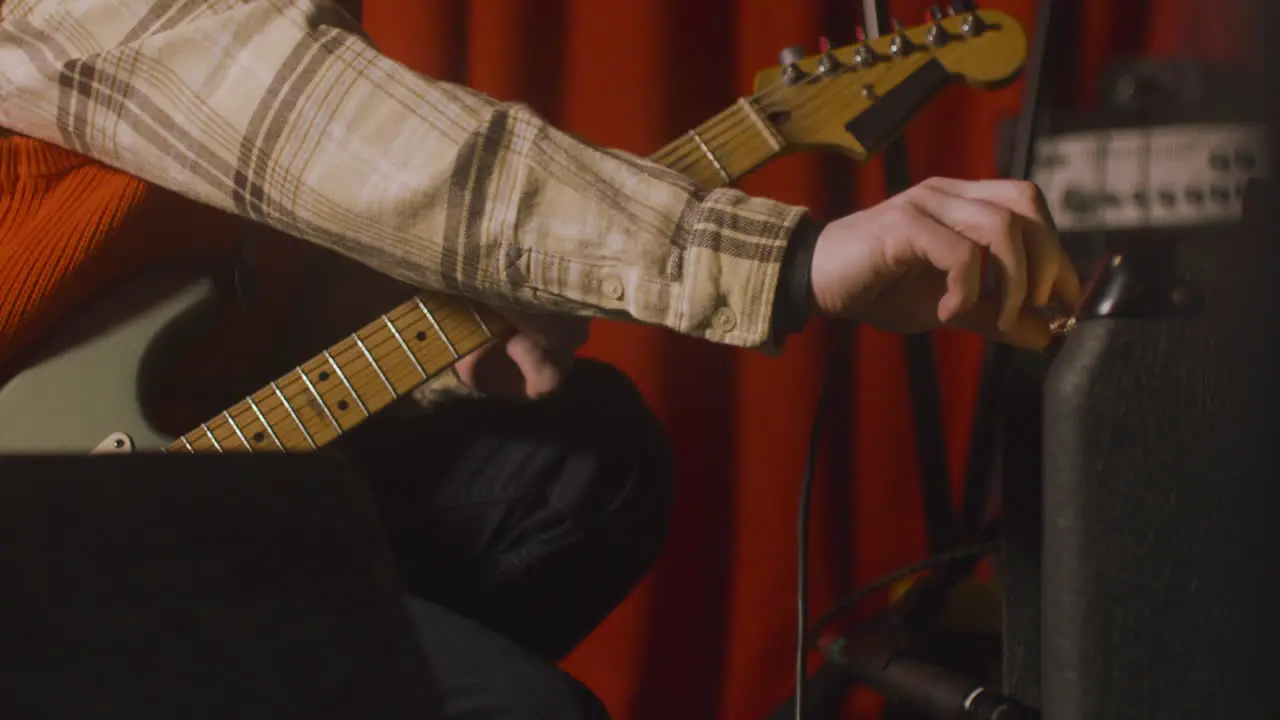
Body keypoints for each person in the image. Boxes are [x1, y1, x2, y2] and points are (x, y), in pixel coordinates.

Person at [0, 1, 1081, 718]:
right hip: (42, 558)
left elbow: (241, 236)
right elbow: (300, 120)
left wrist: (411, 336)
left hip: (152, 486)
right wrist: (793, 257)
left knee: (577, 461)